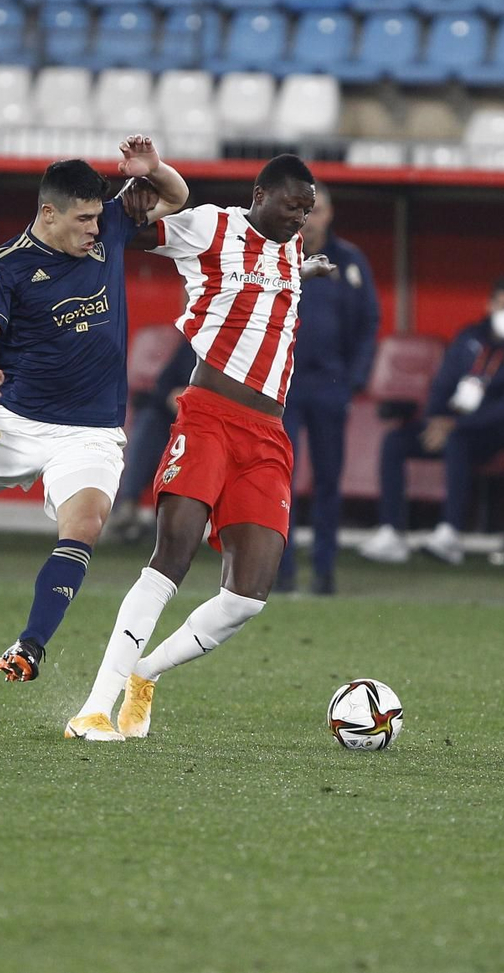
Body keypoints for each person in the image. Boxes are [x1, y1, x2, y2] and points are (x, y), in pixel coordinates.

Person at [66, 152, 336, 742]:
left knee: (247, 597)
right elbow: (133, 231)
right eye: (293, 207)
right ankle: (92, 708)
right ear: (260, 194)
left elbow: (278, 272)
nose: (302, 219)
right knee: (173, 557)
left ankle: (144, 675)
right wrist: (137, 194)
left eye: (308, 211)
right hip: (208, 417)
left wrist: (309, 269)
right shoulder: (211, 225)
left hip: (267, 436)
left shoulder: (290, 252)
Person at [0, 141, 190, 682]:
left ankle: (29, 646)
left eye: (96, 217)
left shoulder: (110, 223)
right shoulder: (5, 265)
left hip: (90, 433)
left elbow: (175, 198)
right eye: (82, 218)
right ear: (48, 213)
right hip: (14, 423)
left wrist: (154, 170)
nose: (93, 228)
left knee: (84, 525)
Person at [358, 275, 504, 566]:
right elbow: (442, 384)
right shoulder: (468, 337)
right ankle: (391, 531)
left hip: (497, 431)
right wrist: (436, 420)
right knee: (395, 441)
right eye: (503, 305)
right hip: (449, 424)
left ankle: (450, 534)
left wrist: (455, 426)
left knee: (458, 441)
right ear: (490, 304)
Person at [277, 184, 380, 596]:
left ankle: (323, 571)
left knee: (327, 482)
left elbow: (369, 323)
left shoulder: (351, 262)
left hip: (330, 387)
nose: (310, 218)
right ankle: (279, 572)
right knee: (280, 481)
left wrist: (353, 380)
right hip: (281, 386)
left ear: (329, 214)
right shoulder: (276, 255)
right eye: (303, 210)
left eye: (316, 211)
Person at [104, 336, 199, 543]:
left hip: (211, 424)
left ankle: (178, 520)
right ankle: (128, 505)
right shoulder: (194, 343)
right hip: (176, 419)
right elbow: (163, 384)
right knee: (149, 422)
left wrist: (195, 398)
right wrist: (171, 396)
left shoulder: (239, 345)